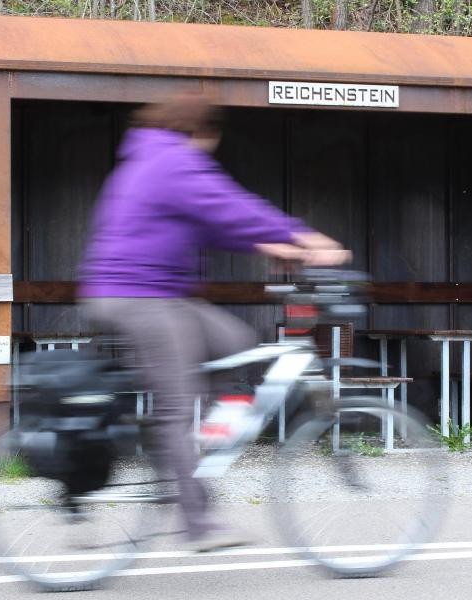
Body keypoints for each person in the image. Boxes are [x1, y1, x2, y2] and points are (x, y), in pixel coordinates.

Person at [77, 93, 350, 551]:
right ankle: (198, 522)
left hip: (151, 293)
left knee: (236, 340)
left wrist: (271, 247)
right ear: (201, 131)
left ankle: (202, 438)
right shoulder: (173, 161)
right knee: (177, 410)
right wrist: (302, 236)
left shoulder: (152, 158)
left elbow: (210, 221)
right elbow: (231, 206)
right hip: (140, 297)